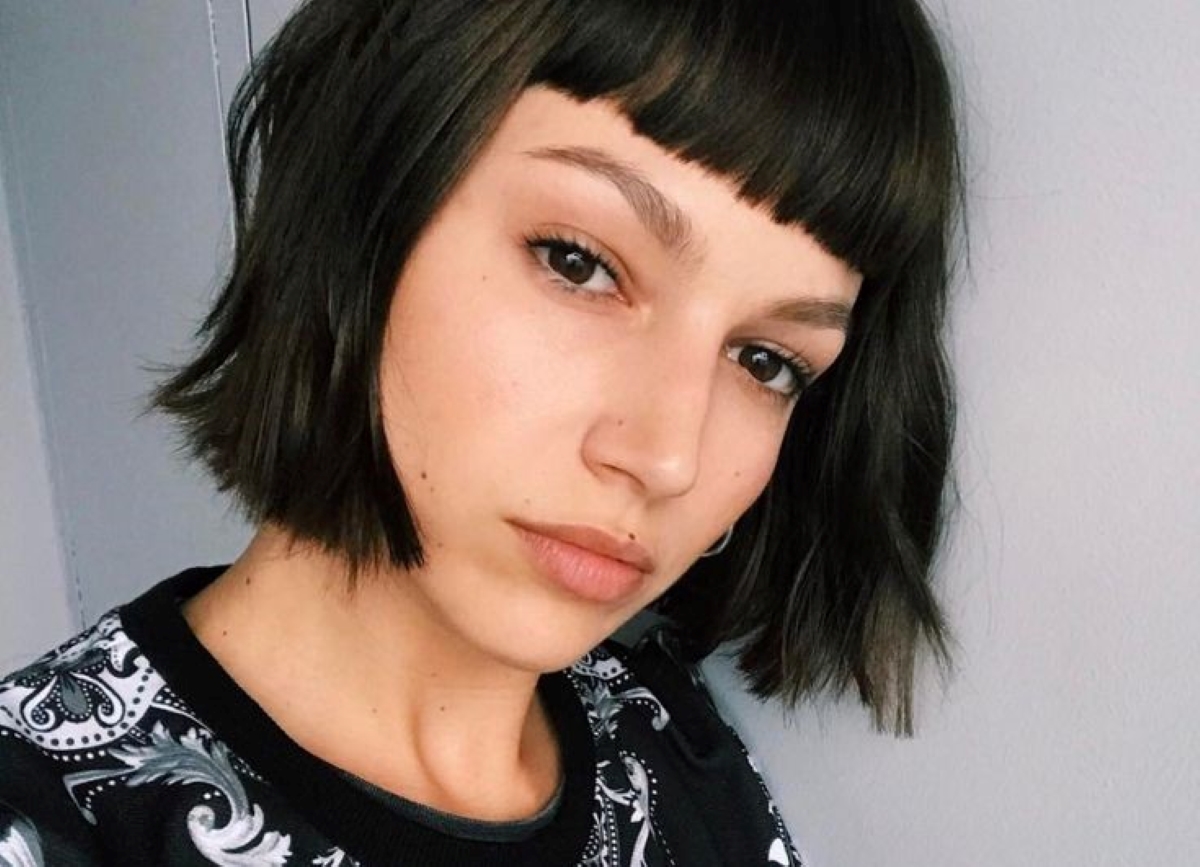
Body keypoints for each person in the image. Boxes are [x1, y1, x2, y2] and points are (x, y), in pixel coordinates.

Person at [0, 0, 961, 864]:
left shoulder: (671, 739)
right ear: (364, 204)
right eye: (579, 263)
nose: (670, 455)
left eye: (765, 361)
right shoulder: (54, 819)